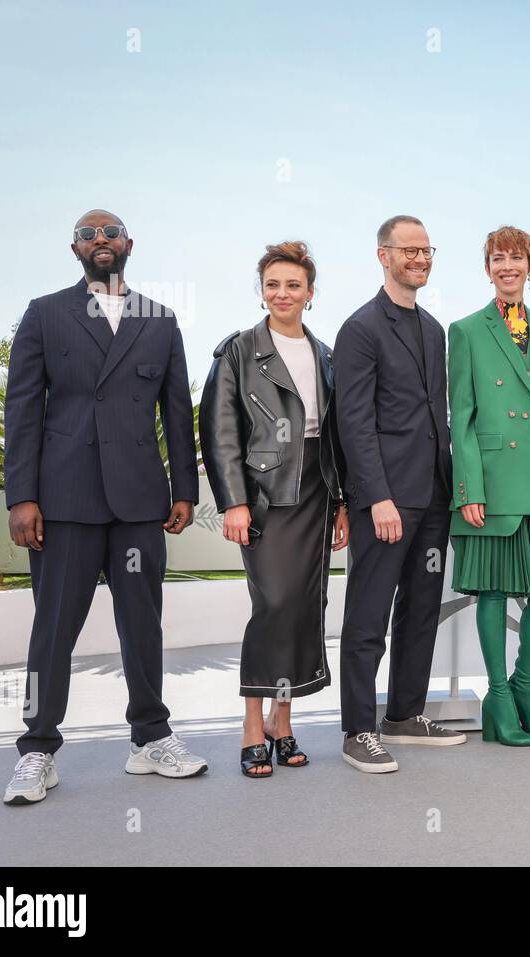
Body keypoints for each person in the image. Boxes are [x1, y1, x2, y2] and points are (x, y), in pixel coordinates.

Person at [2, 209, 205, 805]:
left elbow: (176, 412)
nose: (100, 241)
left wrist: (185, 492)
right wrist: (22, 496)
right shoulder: (44, 314)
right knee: (52, 630)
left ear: (128, 244)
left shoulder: (161, 321)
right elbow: (22, 409)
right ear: (74, 248)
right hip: (63, 501)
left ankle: (149, 739)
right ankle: (37, 749)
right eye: (89, 234)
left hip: (140, 501)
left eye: (110, 232)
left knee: (142, 624)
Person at [200, 241, 349, 777]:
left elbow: (336, 434)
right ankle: (251, 723)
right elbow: (220, 432)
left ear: (310, 293)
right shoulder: (238, 350)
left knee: (307, 603)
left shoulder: (327, 354)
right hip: (265, 491)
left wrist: (342, 502)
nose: (282, 293)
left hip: (317, 487)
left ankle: (284, 723)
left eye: (293, 285)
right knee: (274, 603)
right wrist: (234, 503)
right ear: (261, 291)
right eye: (272, 284)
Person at [334, 215, 467, 774]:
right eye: (408, 250)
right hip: (386, 500)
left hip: (433, 495)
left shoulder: (435, 329)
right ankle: (358, 728)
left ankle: (404, 715)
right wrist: (375, 496)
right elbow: (353, 421)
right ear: (382, 255)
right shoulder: (360, 328)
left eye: (426, 250)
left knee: (420, 612)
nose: (420, 258)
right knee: (368, 616)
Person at [448, 225, 530, 747]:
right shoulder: (466, 330)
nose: (508, 267)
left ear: (529, 267)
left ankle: (524, 688)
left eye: (516, 258)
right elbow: (462, 415)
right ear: (487, 269)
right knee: (495, 590)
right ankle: (498, 699)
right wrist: (469, 488)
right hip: (495, 481)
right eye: (498, 258)